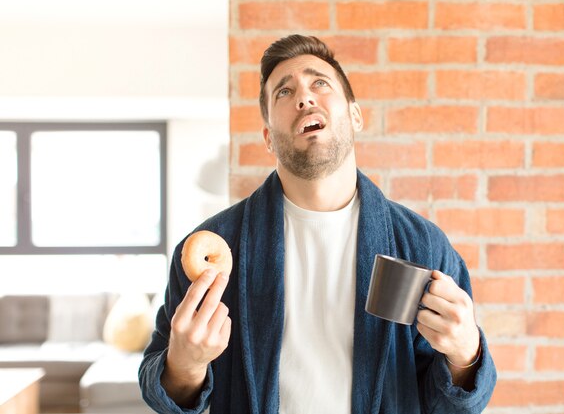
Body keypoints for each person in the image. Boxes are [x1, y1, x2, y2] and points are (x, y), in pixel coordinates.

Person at [139, 34, 497, 414]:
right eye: (283, 92)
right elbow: (161, 390)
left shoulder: (422, 246)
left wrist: (464, 356)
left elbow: (450, 405)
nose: (304, 97)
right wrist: (186, 365)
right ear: (268, 139)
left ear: (355, 116)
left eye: (319, 84)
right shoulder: (217, 247)